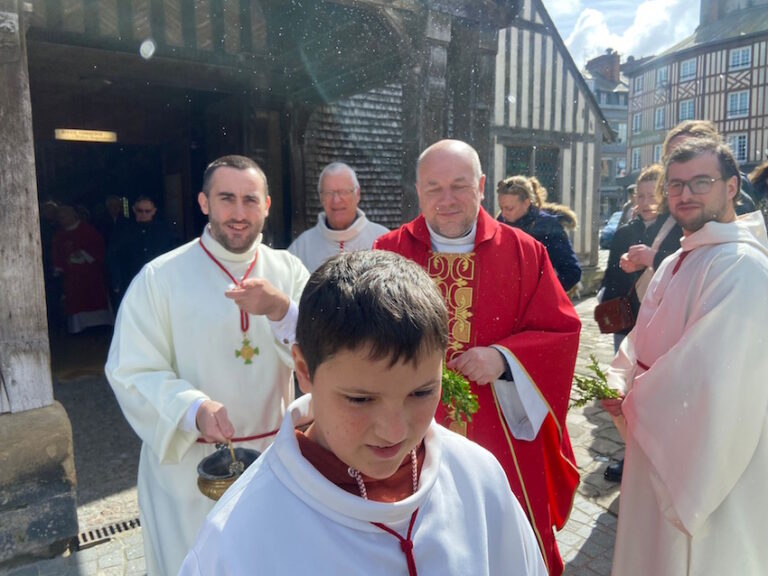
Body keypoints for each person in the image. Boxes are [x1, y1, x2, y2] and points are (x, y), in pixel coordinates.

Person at [180, 250, 547, 575]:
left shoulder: (478, 476)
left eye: (421, 392)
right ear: (305, 371)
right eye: (360, 399)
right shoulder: (238, 536)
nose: (394, 431)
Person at [374, 139, 581, 576]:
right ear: (418, 190)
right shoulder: (388, 252)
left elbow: (561, 330)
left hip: (498, 426)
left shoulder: (525, 251)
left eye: (459, 186)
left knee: (501, 538)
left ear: (482, 186)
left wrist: (504, 358)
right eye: (434, 188)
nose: (446, 200)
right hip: (408, 428)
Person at [105, 155, 309, 576]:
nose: (238, 213)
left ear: (267, 205)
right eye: (226, 198)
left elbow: (327, 353)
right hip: (188, 473)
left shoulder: (289, 271)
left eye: (250, 200)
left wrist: (282, 310)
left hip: (274, 463)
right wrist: (192, 409)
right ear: (203, 202)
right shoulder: (160, 278)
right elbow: (130, 369)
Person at [601, 138, 768, 575]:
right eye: (675, 185)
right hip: (655, 438)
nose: (685, 195)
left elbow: (712, 374)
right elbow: (641, 339)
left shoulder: (742, 266)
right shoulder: (679, 257)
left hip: (699, 455)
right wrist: (617, 380)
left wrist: (634, 399)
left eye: (701, 182)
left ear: (731, 187)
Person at [288, 162, 389, 272]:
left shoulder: (382, 239)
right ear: (321, 197)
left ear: (358, 194)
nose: (336, 200)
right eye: (328, 193)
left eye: (344, 192)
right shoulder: (302, 247)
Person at [496, 175, 582, 291]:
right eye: (501, 208)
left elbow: (572, 271)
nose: (504, 214)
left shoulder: (549, 227)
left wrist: (544, 294)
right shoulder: (500, 223)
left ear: (526, 203)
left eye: (509, 208)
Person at [663, 119, 756, 214]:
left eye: (688, 154)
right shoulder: (662, 198)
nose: (678, 162)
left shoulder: (735, 203)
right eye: (670, 157)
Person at [51, 205, 114, 333]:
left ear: (74, 215)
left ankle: (100, 327)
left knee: (94, 298)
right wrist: (59, 268)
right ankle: (78, 329)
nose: (63, 220)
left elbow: (98, 249)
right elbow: (56, 254)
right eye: (60, 217)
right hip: (71, 276)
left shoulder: (88, 231)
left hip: (90, 274)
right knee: (75, 302)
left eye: (65, 216)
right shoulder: (59, 236)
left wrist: (83, 254)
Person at [107, 195, 176, 307]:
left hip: (158, 281)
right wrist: (116, 281)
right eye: (140, 211)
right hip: (131, 280)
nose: (143, 214)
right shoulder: (123, 231)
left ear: (154, 211)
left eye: (147, 211)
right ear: (134, 210)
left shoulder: (164, 231)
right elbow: (112, 256)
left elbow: (173, 254)